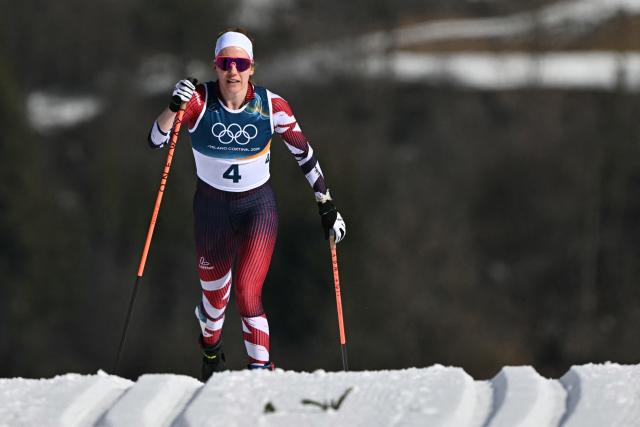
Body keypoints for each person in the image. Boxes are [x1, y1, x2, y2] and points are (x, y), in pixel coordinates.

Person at [147, 28, 346, 380]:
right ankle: (210, 351)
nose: (233, 72)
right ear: (216, 67)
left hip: (257, 208)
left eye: (240, 64)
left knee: (247, 291)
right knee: (215, 302)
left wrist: (326, 204)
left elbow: (304, 153)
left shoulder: (272, 106)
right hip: (211, 210)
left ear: (252, 67)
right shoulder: (198, 102)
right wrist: (173, 106)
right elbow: (156, 140)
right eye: (226, 64)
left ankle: (260, 376)